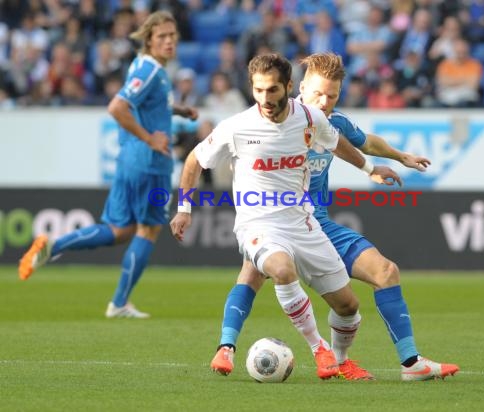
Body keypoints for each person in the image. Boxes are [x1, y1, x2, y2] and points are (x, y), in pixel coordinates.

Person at [210, 53, 460, 381]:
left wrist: (400, 157)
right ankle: (226, 347)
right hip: (272, 219)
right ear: (298, 87)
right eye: (317, 94)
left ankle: (404, 363)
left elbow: (366, 142)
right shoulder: (273, 121)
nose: (324, 101)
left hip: (319, 224)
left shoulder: (331, 124)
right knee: (253, 272)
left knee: (386, 272)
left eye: (332, 95)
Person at [170, 53, 400, 380]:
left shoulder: (310, 119)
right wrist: (184, 209)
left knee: (348, 307)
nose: (265, 98)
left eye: (273, 90)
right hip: (258, 223)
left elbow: (338, 145)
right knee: (280, 269)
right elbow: (194, 161)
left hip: (303, 223)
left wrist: (370, 168)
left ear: (289, 87)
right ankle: (318, 348)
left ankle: (340, 359)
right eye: (259, 90)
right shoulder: (237, 126)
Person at [18, 11, 198, 318]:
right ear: (149, 40)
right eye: (162, 37)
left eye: (172, 35)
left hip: (129, 160)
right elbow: (117, 107)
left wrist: (177, 110)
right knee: (149, 230)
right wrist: (150, 139)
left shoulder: (142, 67)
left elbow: (145, 103)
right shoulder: (152, 69)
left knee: (119, 230)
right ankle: (119, 303)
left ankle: (55, 244)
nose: (169, 41)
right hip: (150, 163)